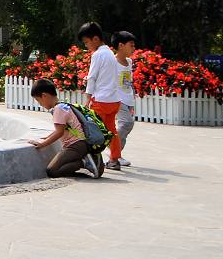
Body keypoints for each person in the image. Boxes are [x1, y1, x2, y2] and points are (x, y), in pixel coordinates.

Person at [25, 78, 104, 177]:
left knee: (52, 171)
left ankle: (85, 162)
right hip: (81, 143)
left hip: (75, 145)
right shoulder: (62, 105)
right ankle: (90, 158)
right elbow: (61, 129)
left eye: (38, 100)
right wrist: (46, 137)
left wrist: (42, 144)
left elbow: (59, 132)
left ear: (44, 96)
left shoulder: (58, 109)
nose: (40, 104)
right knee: (54, 169)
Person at [80, 21, 124, 167]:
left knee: (93, 131)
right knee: (111, 131)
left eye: (86, 42)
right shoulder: (110, 53)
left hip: (101, 101)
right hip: (114, 101)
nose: (86, 46)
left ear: (95, 39)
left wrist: (87, 98)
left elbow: (92, 77)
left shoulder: (97, 55)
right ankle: (114, 159)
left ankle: (93, 160)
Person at [110, 30, 138, 169]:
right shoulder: (112, 62)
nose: (134, 48)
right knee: (126, 123)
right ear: (121, 45)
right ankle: (115, 154)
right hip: (117, 99)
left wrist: (132, 99)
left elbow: (129, 82)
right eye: (131, 45)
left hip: (128, 99)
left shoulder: (129, 61)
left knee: (128, 125)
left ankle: (116, 153)